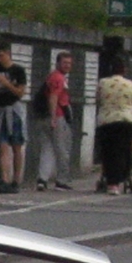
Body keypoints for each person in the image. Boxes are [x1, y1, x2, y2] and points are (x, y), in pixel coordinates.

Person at [0, 46, 28, 192]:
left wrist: (6, 83)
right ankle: (4, 179)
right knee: (2, 145)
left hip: (14, 109)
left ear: (8, 54)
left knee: (16, 146)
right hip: (0, 109)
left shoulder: (18, 71)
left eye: (2, 56)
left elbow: (20, 93)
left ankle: (16, 179)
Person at [95, 58, 132, 194]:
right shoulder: (131, 84)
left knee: (109, 151)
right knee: (125, 150)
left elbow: (98, 100)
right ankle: (125, 176)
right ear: (124, 70)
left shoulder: (102, 83)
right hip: (126, 121)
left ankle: (112, 183)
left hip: (107, 121)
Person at [38, 53, 75, 190]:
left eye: (69, 63)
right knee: (62, 149)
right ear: (58, 63)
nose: (67, 66)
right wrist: (53, 117)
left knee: (47, 148)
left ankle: (42, 179)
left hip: (45, 117)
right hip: (57, 117)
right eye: (65, 63)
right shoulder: (58, 78)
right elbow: (53, 97)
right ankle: (61, 180)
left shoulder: (52, 76)